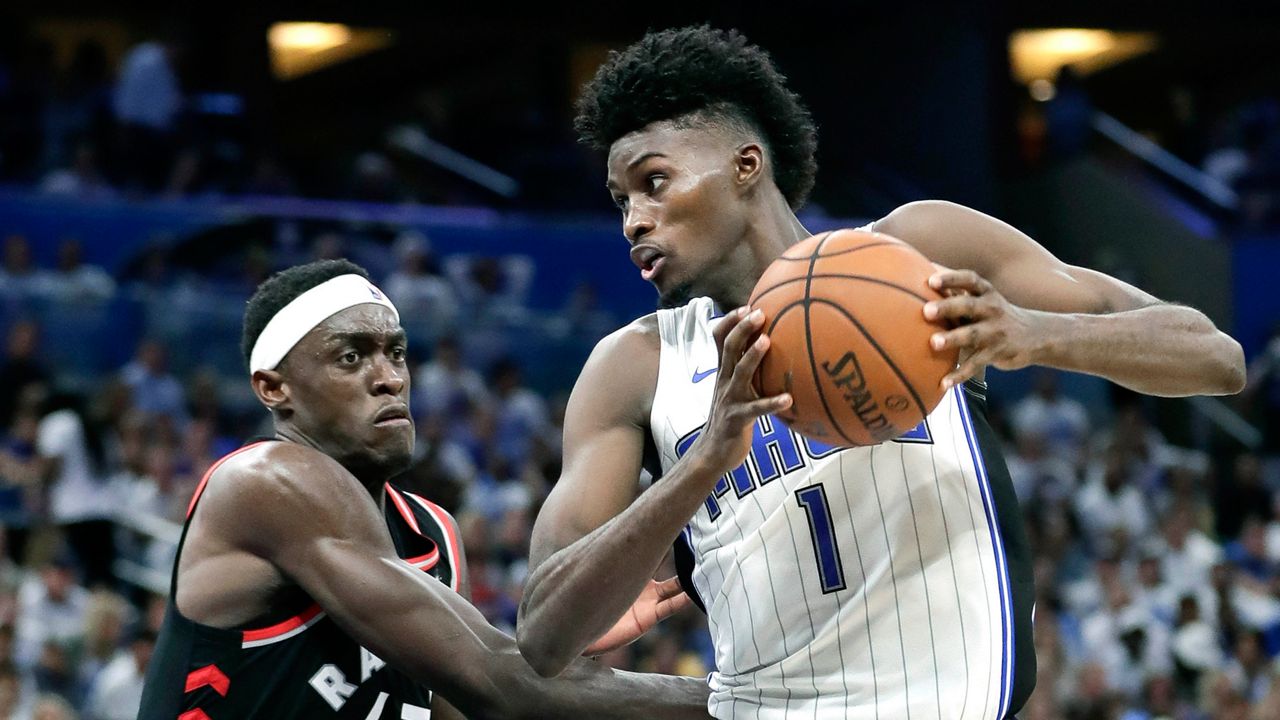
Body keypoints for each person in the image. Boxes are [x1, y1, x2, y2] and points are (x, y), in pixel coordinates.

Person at [517, 26, 1245, 719]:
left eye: (654, 182)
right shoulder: (633, 367)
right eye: (621, 202)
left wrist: (1032, 333)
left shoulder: (918, 251)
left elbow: (1214, 356)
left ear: (747, 165)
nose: (632, 222)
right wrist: (703, 461)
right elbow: (544, 637)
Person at [137, 259, 710, 719]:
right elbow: (493, 678)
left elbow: (476, 694)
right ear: (273, 388)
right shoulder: (264, 482)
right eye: (350, 356)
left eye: (396, 352)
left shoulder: (433, 530)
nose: (388, 377)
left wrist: (562, 653)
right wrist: (739, 702)